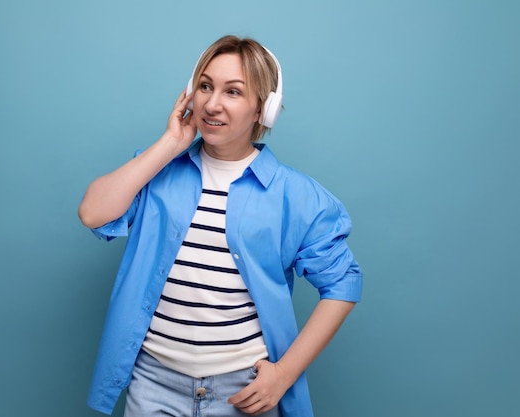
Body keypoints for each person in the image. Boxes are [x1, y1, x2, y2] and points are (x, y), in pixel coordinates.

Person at [78, 35, 362, 417]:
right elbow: (93, 213)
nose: (212, 103)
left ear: (265, 108)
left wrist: (283, 375)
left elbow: (343, 284)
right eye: (206, 86)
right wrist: (170, 142)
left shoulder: (296, 196)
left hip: (243, 390)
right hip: (154, 383)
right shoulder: (157, 171)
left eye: (233, 92)